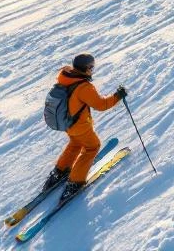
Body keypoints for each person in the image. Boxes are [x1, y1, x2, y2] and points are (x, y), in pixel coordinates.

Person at [42, 54, 125, 201]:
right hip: (80, 126)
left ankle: (59, 171)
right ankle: (75, 182)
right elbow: (101, 105)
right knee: (92, 146)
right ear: (87, 69)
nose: (92, 70)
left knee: (75, 143)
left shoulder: (65, 76)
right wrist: (117, 96)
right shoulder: (84, 87)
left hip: (68, 124)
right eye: (91, 67)